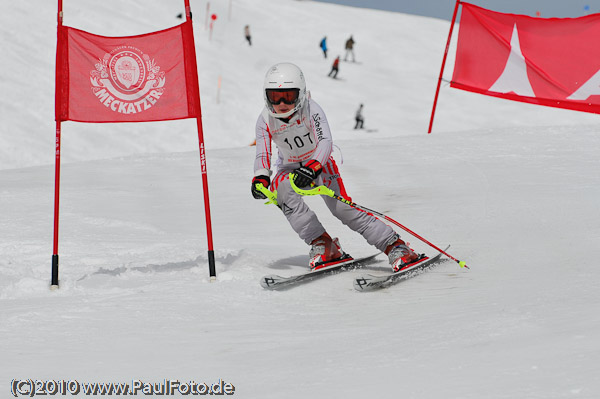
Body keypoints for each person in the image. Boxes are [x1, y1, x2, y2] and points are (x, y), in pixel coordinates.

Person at [251, 63, 419, 271]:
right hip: (290, 168)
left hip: (319, 164)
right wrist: (260, 177)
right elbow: (262, 152)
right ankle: (323, 244)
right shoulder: (264, 120)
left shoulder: (311, 109)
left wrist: (313, 167)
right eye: (275, 97)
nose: (282, 103)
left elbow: (325, 142)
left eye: (289, 95)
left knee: (342, 209)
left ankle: (396, 246)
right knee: (283, 193)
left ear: (301, 94)